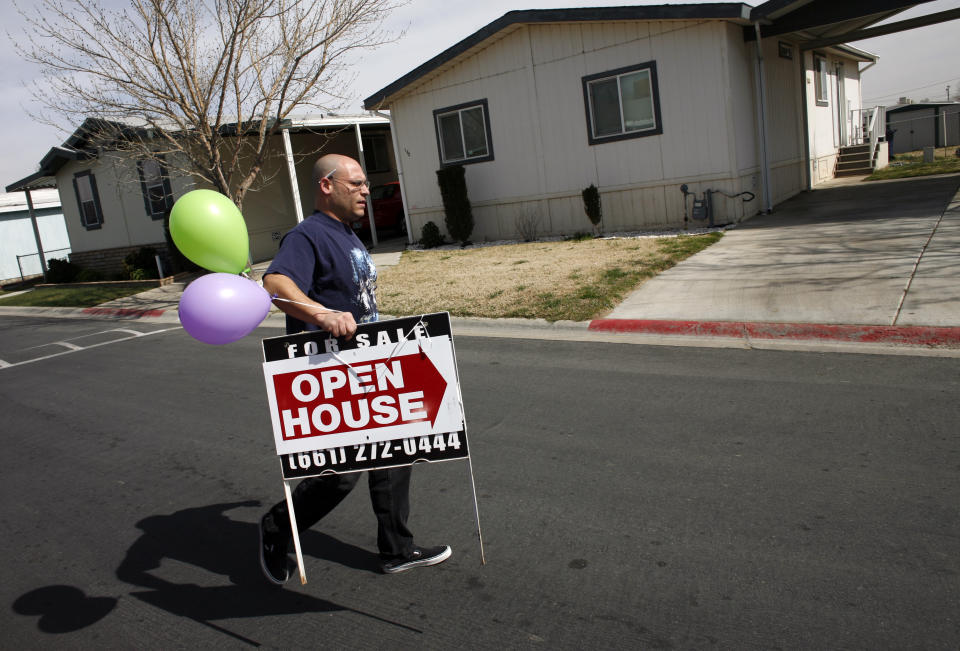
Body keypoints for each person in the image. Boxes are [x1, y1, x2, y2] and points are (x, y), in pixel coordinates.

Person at [258, 153, 451, 584]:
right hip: (329, 371)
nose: (367, 190)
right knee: (339, 476)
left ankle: (397, 550)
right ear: (326, 185)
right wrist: (321, 313)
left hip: (369, 365)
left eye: (366, 185)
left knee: (395, 451)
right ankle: (276, 527)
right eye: (357, 184)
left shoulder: (347, 234)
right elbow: (275, 284)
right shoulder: (306, 235)